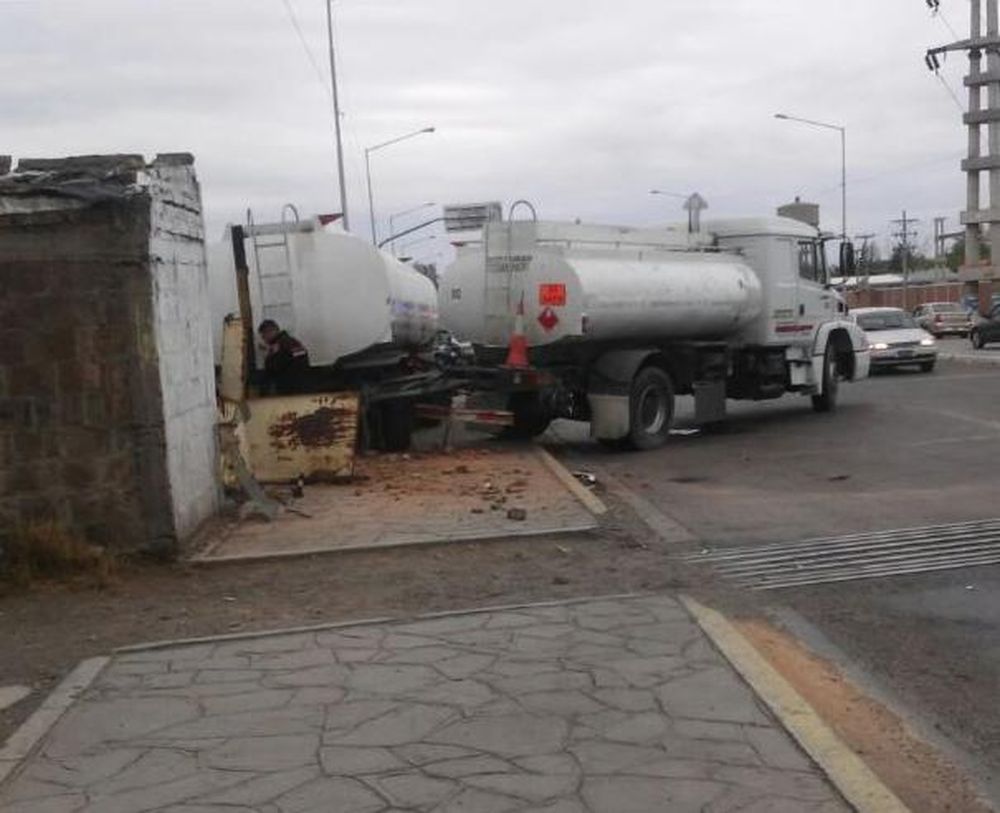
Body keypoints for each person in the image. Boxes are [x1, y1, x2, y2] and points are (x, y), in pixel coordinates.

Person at [257, 319, 310, 395]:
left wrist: (269, 355)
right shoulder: (293, 342)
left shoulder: (280, 345)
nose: (264, 339)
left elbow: (273, 367)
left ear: (271, 332)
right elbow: (301, 360)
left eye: (263, 336)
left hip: (289, 388)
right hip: (300, 387)